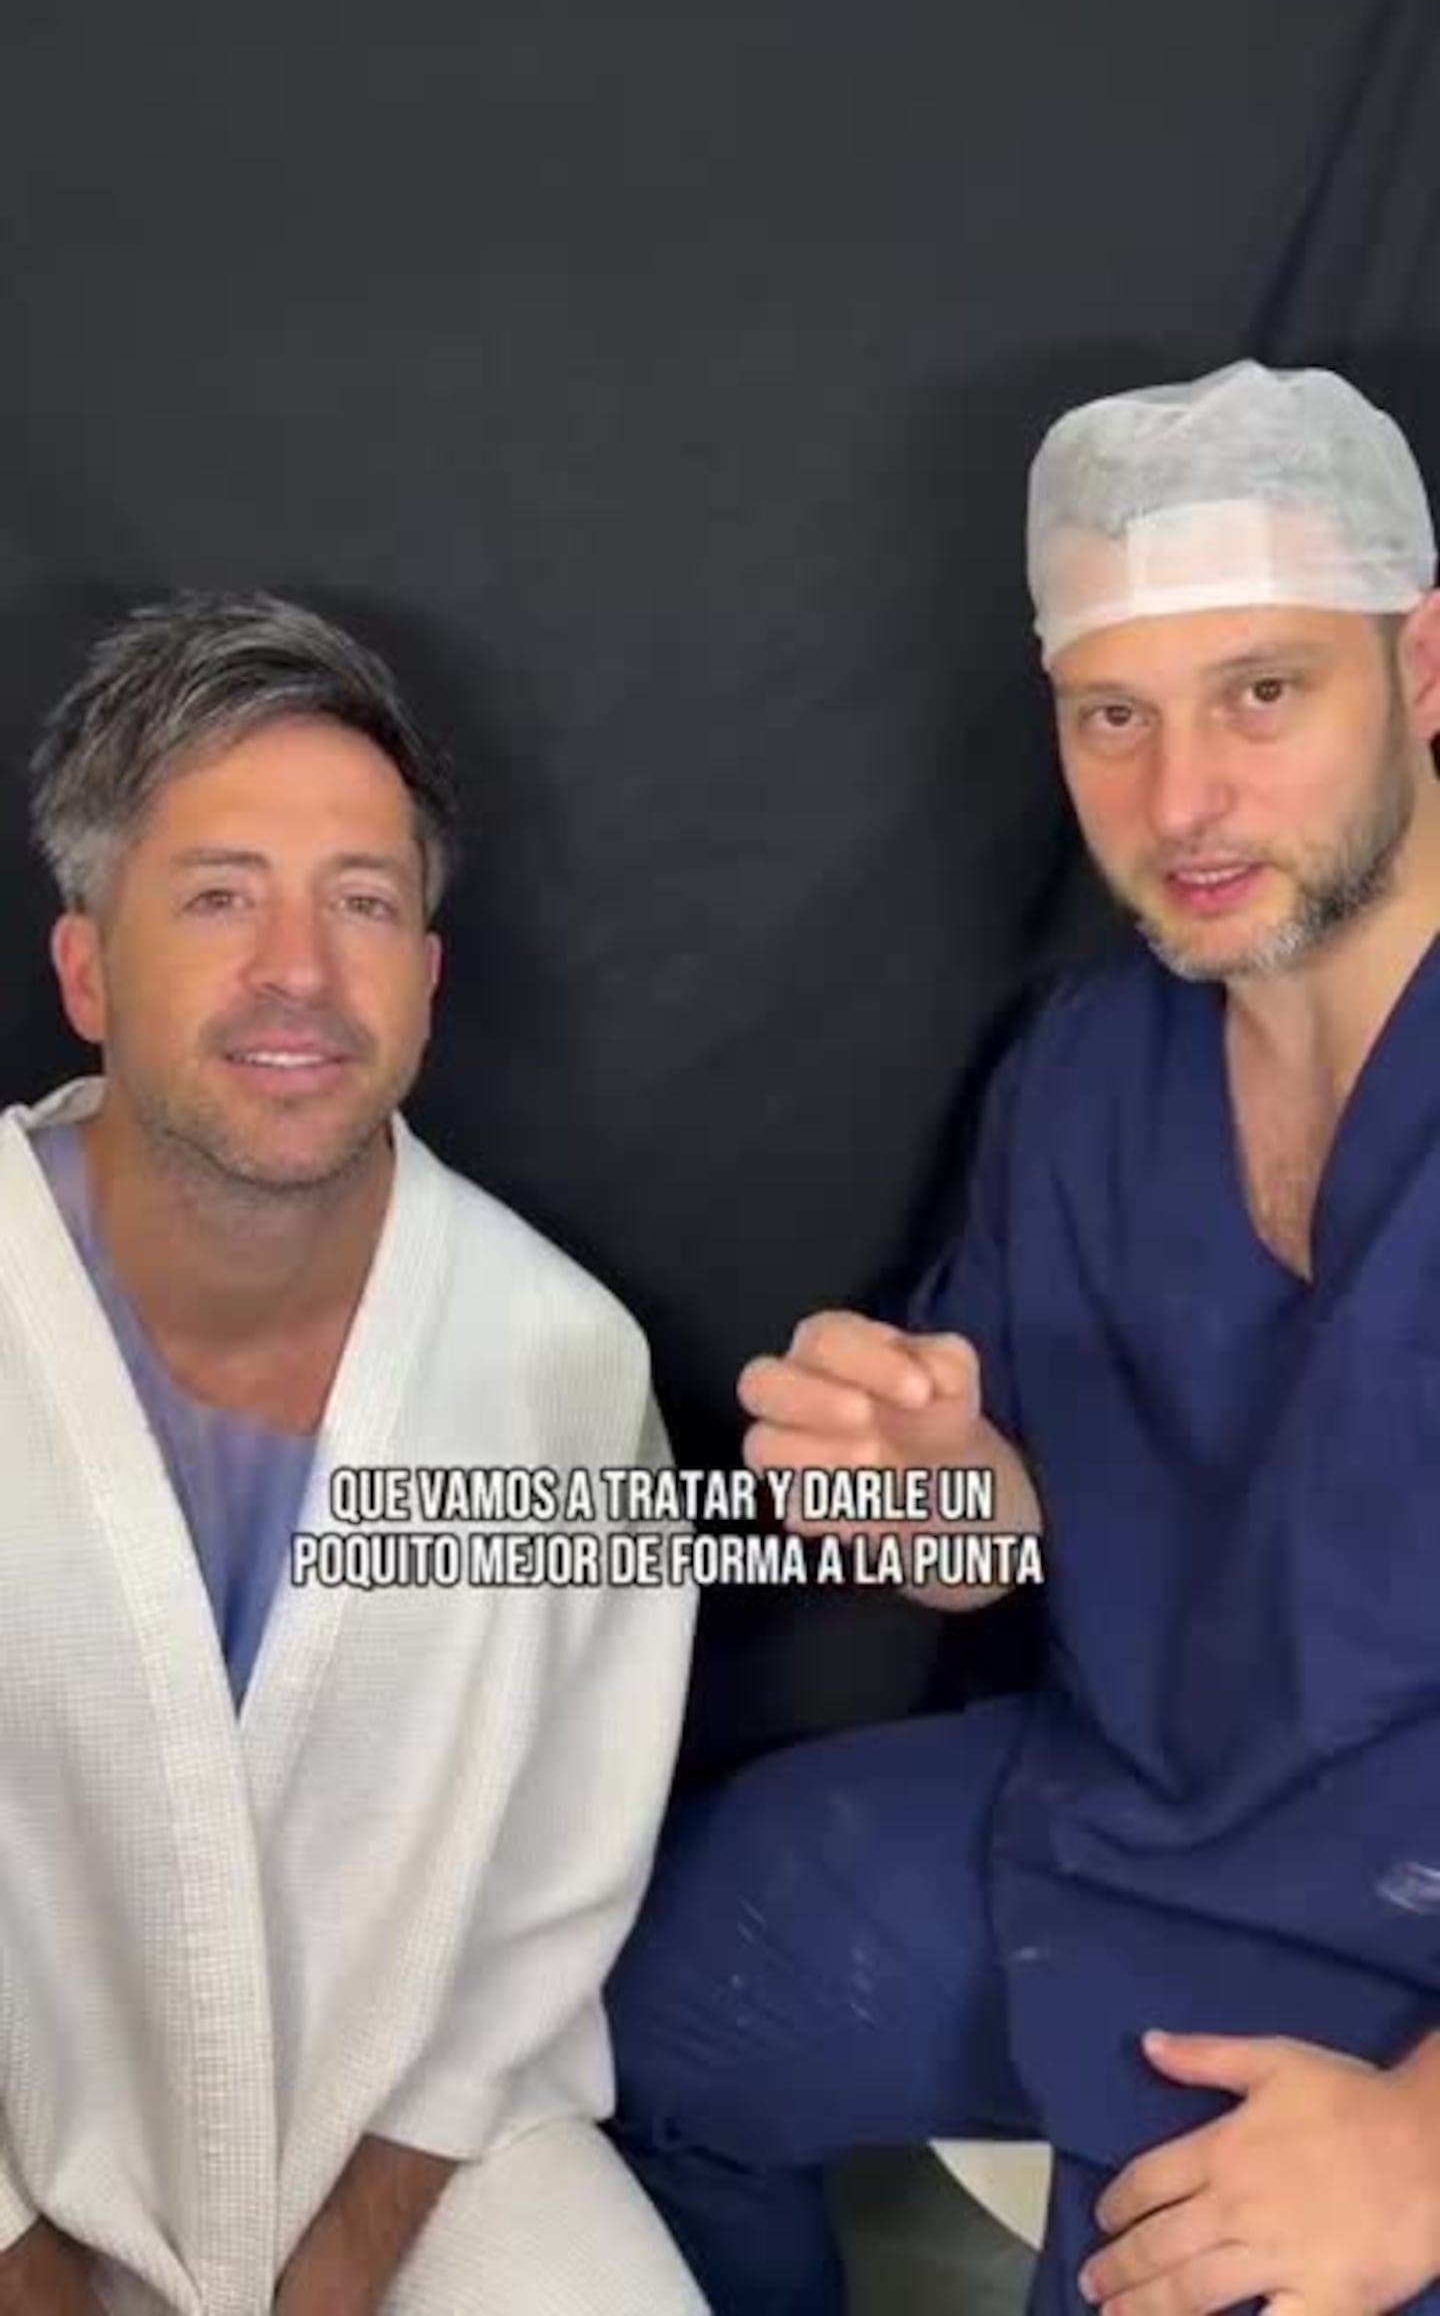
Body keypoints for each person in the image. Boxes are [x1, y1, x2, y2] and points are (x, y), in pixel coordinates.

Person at [607, 360, 1440, 2316]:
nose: (1181, 800)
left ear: (1422, 667)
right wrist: (934, 1496)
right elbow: (1012, 1531)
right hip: (1134, 1814)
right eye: (1111, 715)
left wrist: (1423, 2144)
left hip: (1400, 1974)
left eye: (1262, 690)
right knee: (609, 2030)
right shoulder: (1089, 1069)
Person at [0, 593, 704, 2316]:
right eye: (219, 894)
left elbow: (546, 1896)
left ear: (428, 984)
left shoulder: (557, 1365)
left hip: (398, 2156)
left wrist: (335, 2273)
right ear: (86, 968)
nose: (301, 971)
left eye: (364, 902)